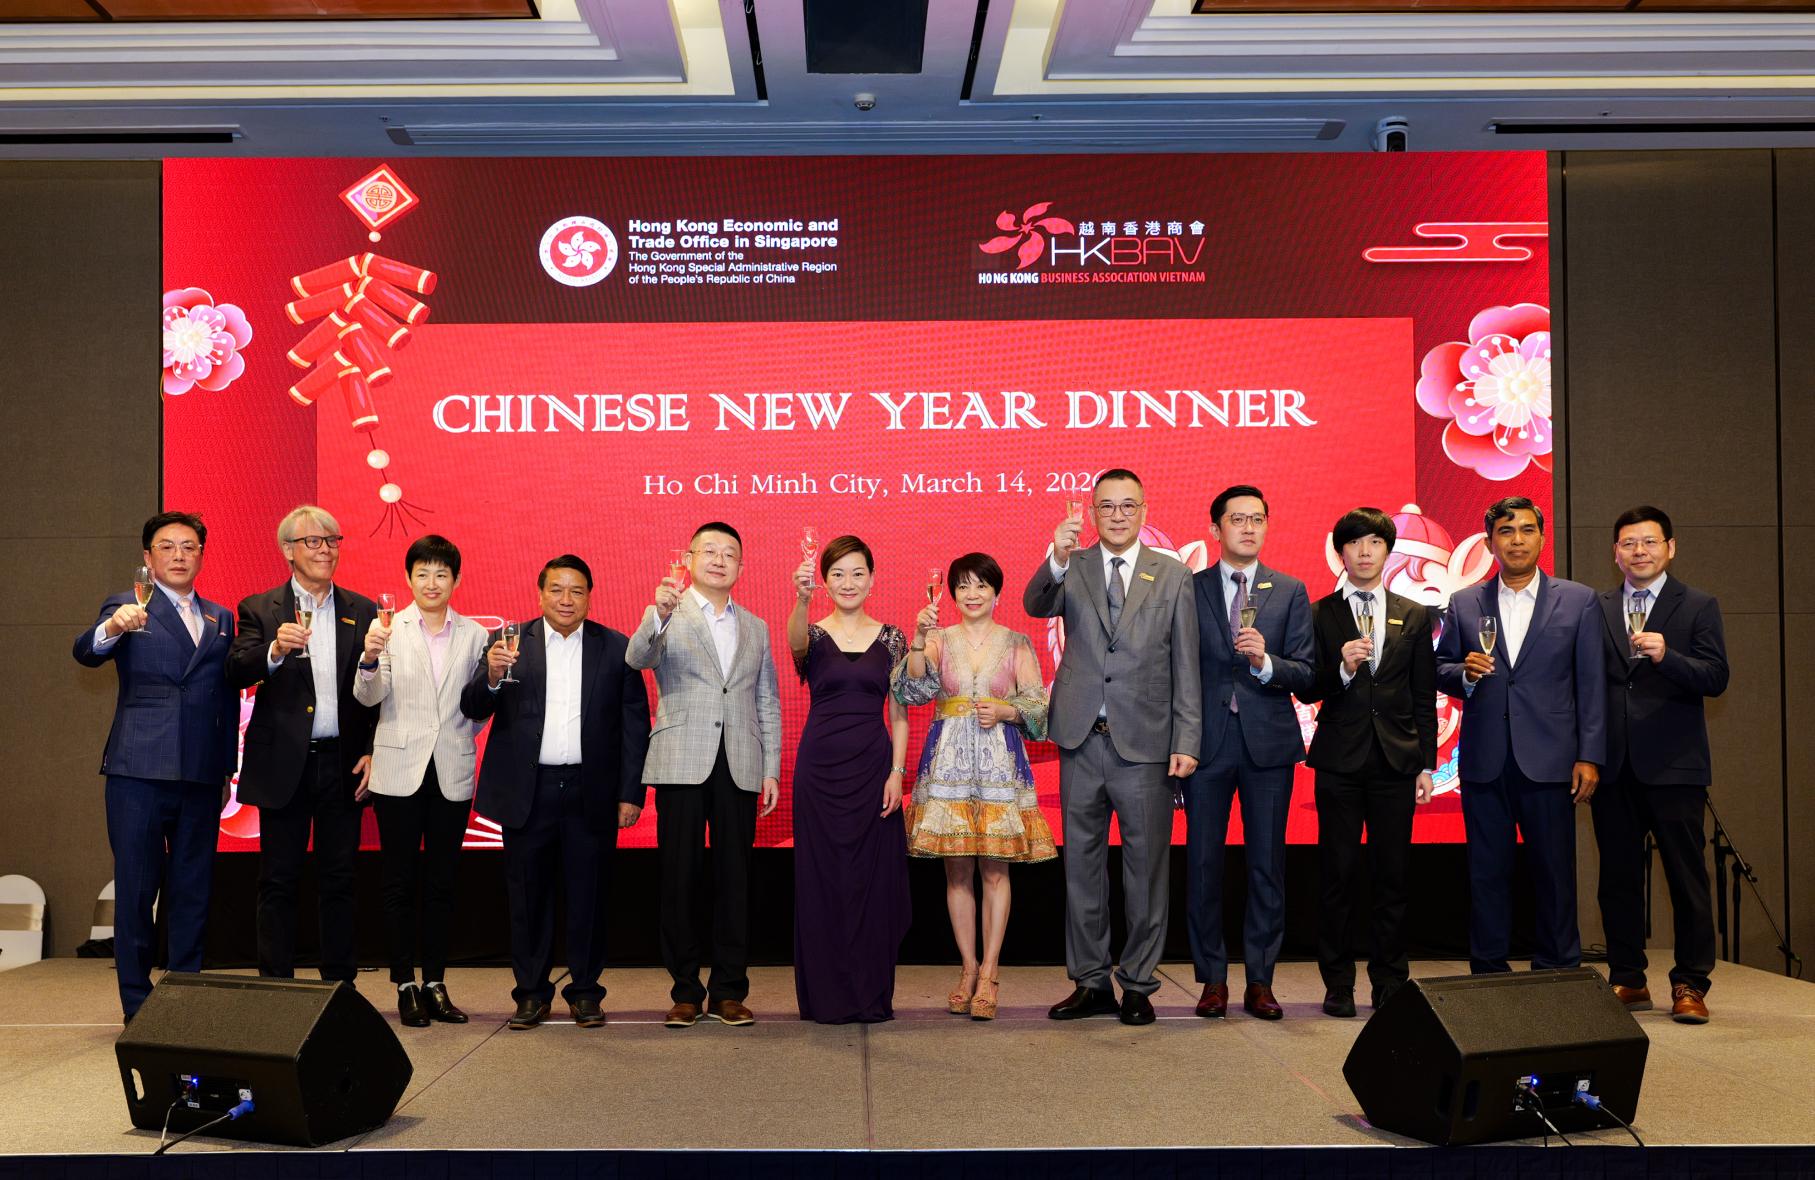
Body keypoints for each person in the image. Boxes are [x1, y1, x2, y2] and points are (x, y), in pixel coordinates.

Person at [1024, 469, 1202, 1026]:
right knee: (1082, 867)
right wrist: (1056, 556)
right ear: (1093, 513)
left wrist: (1187, 738)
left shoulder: (1173, 575)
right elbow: (1034, 604)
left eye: (1128, 505)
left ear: (1144, 511)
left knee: (1145, 871)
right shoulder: (1072, 566)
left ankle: (1140, 985)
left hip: (1146, 745)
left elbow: (1186, 664)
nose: (1118, 515)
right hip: (1081, 740)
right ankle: (1091, 982)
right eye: (1107, 506)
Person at [460, 555, 650, 1030]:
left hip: (592, 790)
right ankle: (530, 994)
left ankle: (585, 992)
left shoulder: (616, 647)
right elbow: (473, 705)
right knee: (528, 898)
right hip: (529, 789)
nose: (567, 599)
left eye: (577, 591)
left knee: (590, 897)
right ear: (540, 593)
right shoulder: (507, 642)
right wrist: (492, 676)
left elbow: (634, 725)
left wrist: (631, 793)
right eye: (557, 590)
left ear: (590, 597)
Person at [73, 511, 239, 1023]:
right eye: (167, 546)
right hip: (138, 771)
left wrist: (226, 767)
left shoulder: (220, 616)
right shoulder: (128, 604)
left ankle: (184, 998)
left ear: (202, 556)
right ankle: (137, 1004)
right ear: (148, 557)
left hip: (201, 773)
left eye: (189, 547)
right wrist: (111, 628)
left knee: (193, 890)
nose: (178, 555)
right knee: (137, 889)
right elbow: (86, 652)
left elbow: (225, 696)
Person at [1436, 496, 1605, 976]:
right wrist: (1464, 674)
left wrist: (1589, 755)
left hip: (1551, 760)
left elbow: (1591, 683)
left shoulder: (1578, 600)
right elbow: (1441, 668)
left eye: (1527, 530)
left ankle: (1557, 968)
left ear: (1542, 538)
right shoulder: (1464, 602)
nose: (1517, 540)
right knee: (1487, 872)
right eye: (1506, 532)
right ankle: (1489, 969)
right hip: (1485, 760)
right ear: (1490, 542)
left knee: (1554, 872)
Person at [628, 523, 782, 1028]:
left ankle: (729, 991)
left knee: (735, 879)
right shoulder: (667, 611)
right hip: (681, 759)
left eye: (729, 553)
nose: (719, 560)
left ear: (741, 566)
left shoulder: (756, 626)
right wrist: (658, 614)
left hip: (740, 761)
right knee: (680, 878)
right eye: (709, 551)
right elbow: (637, 658)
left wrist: (771, 768)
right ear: (689, 559)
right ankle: (686, 991)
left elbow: (767, 701)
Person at [893, 551, 1055, 1021]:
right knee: (957, 873)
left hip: (1000, 765)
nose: (972, 593)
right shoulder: (938, 639)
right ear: (952, 594)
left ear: (996, 592)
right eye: (962, 585)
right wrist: (918, 640)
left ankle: (990, 972)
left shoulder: (1017, 642)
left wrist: (1008, 711)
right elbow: (911, 691)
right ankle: (966, 968)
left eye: (981, 585)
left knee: (996, 873)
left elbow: (1040, 710)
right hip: (949, 764)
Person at [227, 505, 377, 983]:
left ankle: (340, 986)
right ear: (287, 551)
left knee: (340, 879)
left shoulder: (363, 610)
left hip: (343, 763)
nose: (326, 549)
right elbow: (236, 669)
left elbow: (377, 691)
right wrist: (274, 650)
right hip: (284, 764)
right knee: (278, 880)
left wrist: (372, 749)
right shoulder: (259, 608)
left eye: (333, 540)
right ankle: (276, 988)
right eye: (314, 541)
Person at [1297, 507, 1437, 1017]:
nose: (1364, 552)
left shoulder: (1414, 613)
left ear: (1387, 551)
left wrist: (1426, 764)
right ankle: (1338, 983)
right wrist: (1342, 667)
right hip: (1339, 761)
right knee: (1337, 875)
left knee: (1391, 876)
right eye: (1354, 543)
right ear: (1340, 552)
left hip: (1395, 762)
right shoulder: (1320, 613)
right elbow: (1307, 686)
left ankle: (1390, 980)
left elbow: (1422, 695)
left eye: (1374, 542)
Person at [1184, 485, 1315, 1021]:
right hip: (1205, 744)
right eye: (1237, 519)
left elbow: (1306, 674)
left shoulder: (1290, 590)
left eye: (1257, 519)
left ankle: (1260, 980)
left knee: (1266, 865)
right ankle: (1212, 979)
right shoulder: (1188, 588)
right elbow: (1174, 668)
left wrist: (1266, 663)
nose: (1248, 528)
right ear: (1215, 528)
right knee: (1203, 864)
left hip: (1268, 745)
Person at [1593, 505, 1728, 1023]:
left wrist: (1667, 655)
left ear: (1670, 548)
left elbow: (1715, 677)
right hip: (1613, 766)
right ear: (1616, 553)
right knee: (1617, 879)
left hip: (1675, 767)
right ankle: (1628, 978)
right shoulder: (1598, 606)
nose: (1639, 551)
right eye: (1629, 543)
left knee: (1686, 879)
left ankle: (1691, 983)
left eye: (1650, 542)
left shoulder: (1697, 605)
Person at [352, 535, 489, 1028]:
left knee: (442, 883)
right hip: (398, 771)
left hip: (452, 768)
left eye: (441, 574)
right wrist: (369, 660)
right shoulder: (387, 628)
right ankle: (404, 984)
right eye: (423, 574)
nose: (432, 583)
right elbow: (368, 697)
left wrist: (458, 733)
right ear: (408, 579)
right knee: (398, 880)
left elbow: (478, 706)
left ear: (456, 580)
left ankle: (435, 982)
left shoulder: (476, 634)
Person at [786, 535, 912, 1024]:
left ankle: (869, 995)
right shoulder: (813, 634)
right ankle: (826, 997)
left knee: (873, 883)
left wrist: (897, 773)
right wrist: (801, 600)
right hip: (819, 772)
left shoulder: (894, 638)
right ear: (824, 582)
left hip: (874, 770)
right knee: (821, 881)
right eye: (837, 574)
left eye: (858, 573)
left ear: (872, 579)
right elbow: (796, 643)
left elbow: (899, 712)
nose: (848, 582)